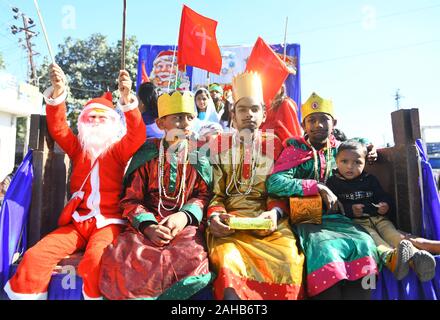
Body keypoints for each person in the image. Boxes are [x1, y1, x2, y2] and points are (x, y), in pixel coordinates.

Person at [4, 64, 146, 300]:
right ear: (82, 122)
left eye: (102, 118)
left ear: (112, 122)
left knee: (95, 261)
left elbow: (137, 135)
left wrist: (126, 100)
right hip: (78, 222)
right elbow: (59, 128)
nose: (96, 122)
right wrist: (58, 92)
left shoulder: (118, 150)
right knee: (34, 257)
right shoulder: (78, 149)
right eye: (91, 117)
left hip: (109, 222)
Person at [99, 90, 213, 300]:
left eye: (189, 117)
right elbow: (131, 199)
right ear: (161, 124)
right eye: (177, 117)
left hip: (184, 227)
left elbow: (204, 196)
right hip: (145, 227)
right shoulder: (148, 153)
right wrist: (148, 226)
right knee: (129, 256)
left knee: (191, 255)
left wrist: (184, 216)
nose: (185, 123)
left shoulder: (199, 155)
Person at [267, 92, 379, 300]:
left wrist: (368, 146)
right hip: (307, 216)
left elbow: (360, 142)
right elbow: (274, 183)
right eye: (312, 120)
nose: (318, 125)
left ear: (334, 122)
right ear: (304, 125)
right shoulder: (295, 149)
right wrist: (315, 186)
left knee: (364, 243)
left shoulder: (341, 150)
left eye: (324, 120)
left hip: (339, 216)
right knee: (325, 250)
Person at [206, 72, 305, 300]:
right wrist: (214, 217)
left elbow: (279, 188)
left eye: (254, 110)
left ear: (263, 114)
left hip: (270, 225)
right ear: (233, 114)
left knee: (289, 259)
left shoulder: (276, 145)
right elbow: (215, 194)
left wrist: (275, 212)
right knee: (228, 261)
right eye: (242, 109)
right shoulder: (218, 145)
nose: (248, 115)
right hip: (230, 225)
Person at [326, 139, 436, 282]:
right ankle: (392, 259)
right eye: (344, 161)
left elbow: (382, 195)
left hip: (379, 218)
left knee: (395, 236)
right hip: (357, 223)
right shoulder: (333, 182)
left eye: (357, 162)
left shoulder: (369, 179)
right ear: (336, 160)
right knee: (375, 240)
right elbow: (333, 207)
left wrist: (385, 205)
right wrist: (349, 210)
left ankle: (417, 259)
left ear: (365, 162)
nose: (350, 167)